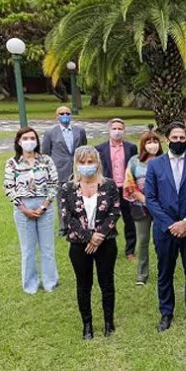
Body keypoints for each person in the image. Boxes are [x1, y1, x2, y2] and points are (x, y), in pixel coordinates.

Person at [144, 122, 186, 331]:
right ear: (167, 139)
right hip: (165, 230)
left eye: (182, 138)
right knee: (165, 272)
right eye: (175, 138)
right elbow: (151, 198)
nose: (179, 141)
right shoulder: (155, 165)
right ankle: (166, 313)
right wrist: (171, 224)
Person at [58, 146, 120, 340]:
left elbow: (115, 211)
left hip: (106, 242)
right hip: (79, 245)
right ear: (76, 164)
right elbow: (66, 216)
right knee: (84, 285)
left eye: (90, 162)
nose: (87, 166)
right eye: (82, 162)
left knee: (106, 282)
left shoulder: (109, 185)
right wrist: (88, 237)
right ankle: (87, 325)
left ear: (97, 163)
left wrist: (99, 235)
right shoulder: (68, 188)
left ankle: (109, 322)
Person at [4, 127, 59, 294]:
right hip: (23, 208)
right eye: (25, 138)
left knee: (47, 247)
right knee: (27, 249)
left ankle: (50, 281)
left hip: (45, 205)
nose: (29, 141)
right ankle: (30, 284)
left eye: (32, 138)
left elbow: (54, 183)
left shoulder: (46, 160)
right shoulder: (12, 163)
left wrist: (44, 205)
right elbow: (8, 187)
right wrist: (23, 208)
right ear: (19, 142)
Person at [123, 130, 163, 286]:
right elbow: (129, 184)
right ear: (143, 144)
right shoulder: (134, 161)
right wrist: (146, 200)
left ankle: (164, 270)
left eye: (155, 141)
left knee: (161, 240)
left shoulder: (165, 160)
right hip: (141, 206)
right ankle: (142, 275)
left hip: (162, 208)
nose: (152, 144)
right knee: (143, 240)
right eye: (148, 141)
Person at [95, 118, 138, 260]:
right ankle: (106, 247)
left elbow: (134, 168)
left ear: (124, 131)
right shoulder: (100, 149)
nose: (117, 131)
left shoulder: (131, 148)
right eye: (114, 128)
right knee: (106, 219)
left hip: (126, 188)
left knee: (129, 219)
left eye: (120, 129)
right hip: (108, 189)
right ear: (109, 130)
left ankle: (130, 251)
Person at [40, 105, 87, 183]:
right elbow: (46, 152)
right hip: (59, 169)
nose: (65, 115)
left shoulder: (80, 130)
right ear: (57, 116)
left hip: (77, 168)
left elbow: (83, 146)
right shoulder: (50, 132)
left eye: (68, 113)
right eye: (61, 114)